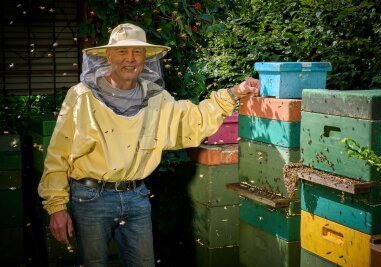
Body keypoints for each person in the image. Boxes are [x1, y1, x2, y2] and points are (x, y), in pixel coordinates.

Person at [38, 23, 260, 267]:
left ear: (146, 58)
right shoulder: (81, 96)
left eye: (137, 52)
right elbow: (58, 152)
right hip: (91, 197)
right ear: (108, 56)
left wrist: (233, 93)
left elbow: (193, 120)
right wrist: (56, 205)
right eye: (122, 52)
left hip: (136, 195)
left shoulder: (157, 99)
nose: (130, 59)